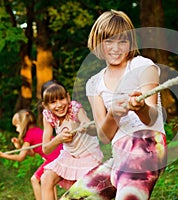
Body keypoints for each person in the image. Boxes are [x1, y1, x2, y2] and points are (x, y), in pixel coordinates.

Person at [61, 10, 167, 200]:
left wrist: (141, 107)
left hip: (145, 147)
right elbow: (104, 136)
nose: (115, 48)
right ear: (98, 43)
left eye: (122, 41)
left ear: (131, 43)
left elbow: (153, 118)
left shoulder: (143, 66)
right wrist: (114, 115)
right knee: (72, 198)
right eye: (108, 41)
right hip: (119, 154)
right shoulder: (94, 83)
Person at [40, 80, 104, 200]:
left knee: (78, 191)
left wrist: (85, 126)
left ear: (68, 97)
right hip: (69, 155)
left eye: (62, 99)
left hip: (88, 155)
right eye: (53, 102)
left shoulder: (74, 108)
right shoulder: (48, 115)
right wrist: (58, 139)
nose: (59, 105)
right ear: (46, 106)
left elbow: (88, 124)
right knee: (46, 178)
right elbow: (46, 149)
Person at [0, 109, 63, 200]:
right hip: (59, 154)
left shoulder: (29, 135)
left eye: (17, 125)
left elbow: (20, 157)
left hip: (54, 158)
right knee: (48, 179)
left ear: (23, 123)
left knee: (35, 179)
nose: (17, 129)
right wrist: (19, 147)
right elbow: (32, 153)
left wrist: (2, 155)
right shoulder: (36, 130)